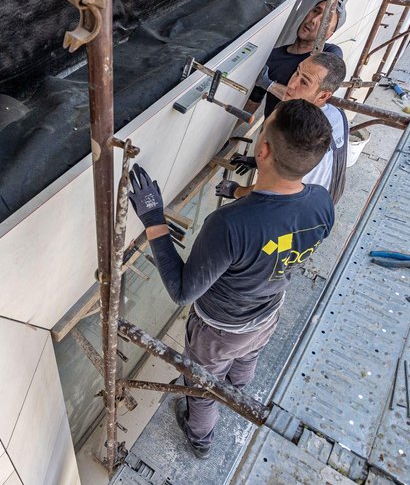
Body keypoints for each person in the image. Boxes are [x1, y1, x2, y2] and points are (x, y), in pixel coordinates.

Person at [128, 99, 335, 459]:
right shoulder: (321, 202)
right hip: (267, 312)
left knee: (201, 387)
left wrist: (153, 220)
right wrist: (246, 191)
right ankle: (237, 386)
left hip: (219, 330)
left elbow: (181, 291)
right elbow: (278, 220)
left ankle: (200, 437)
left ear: (264, 148)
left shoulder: (229, 225)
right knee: (247, 355)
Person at [220, 52, 349, 203]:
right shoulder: (337, 114)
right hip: (326, 196)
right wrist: (257, 160)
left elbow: (277, 190)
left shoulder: (302, 132)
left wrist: (236, 191)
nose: (292, 83)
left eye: (304, 82)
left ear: (322, 96)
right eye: (297, 72)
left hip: (302, 208)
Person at [245, 0, 346, 119]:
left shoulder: (330, 56)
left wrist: (269, 85)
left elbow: (308, 102)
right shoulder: (273, 56)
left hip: (296, 133)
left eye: (324, 20)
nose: (313, 20)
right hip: (270, 130)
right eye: (315, 11)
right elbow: (253, 102)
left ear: (328, 34)